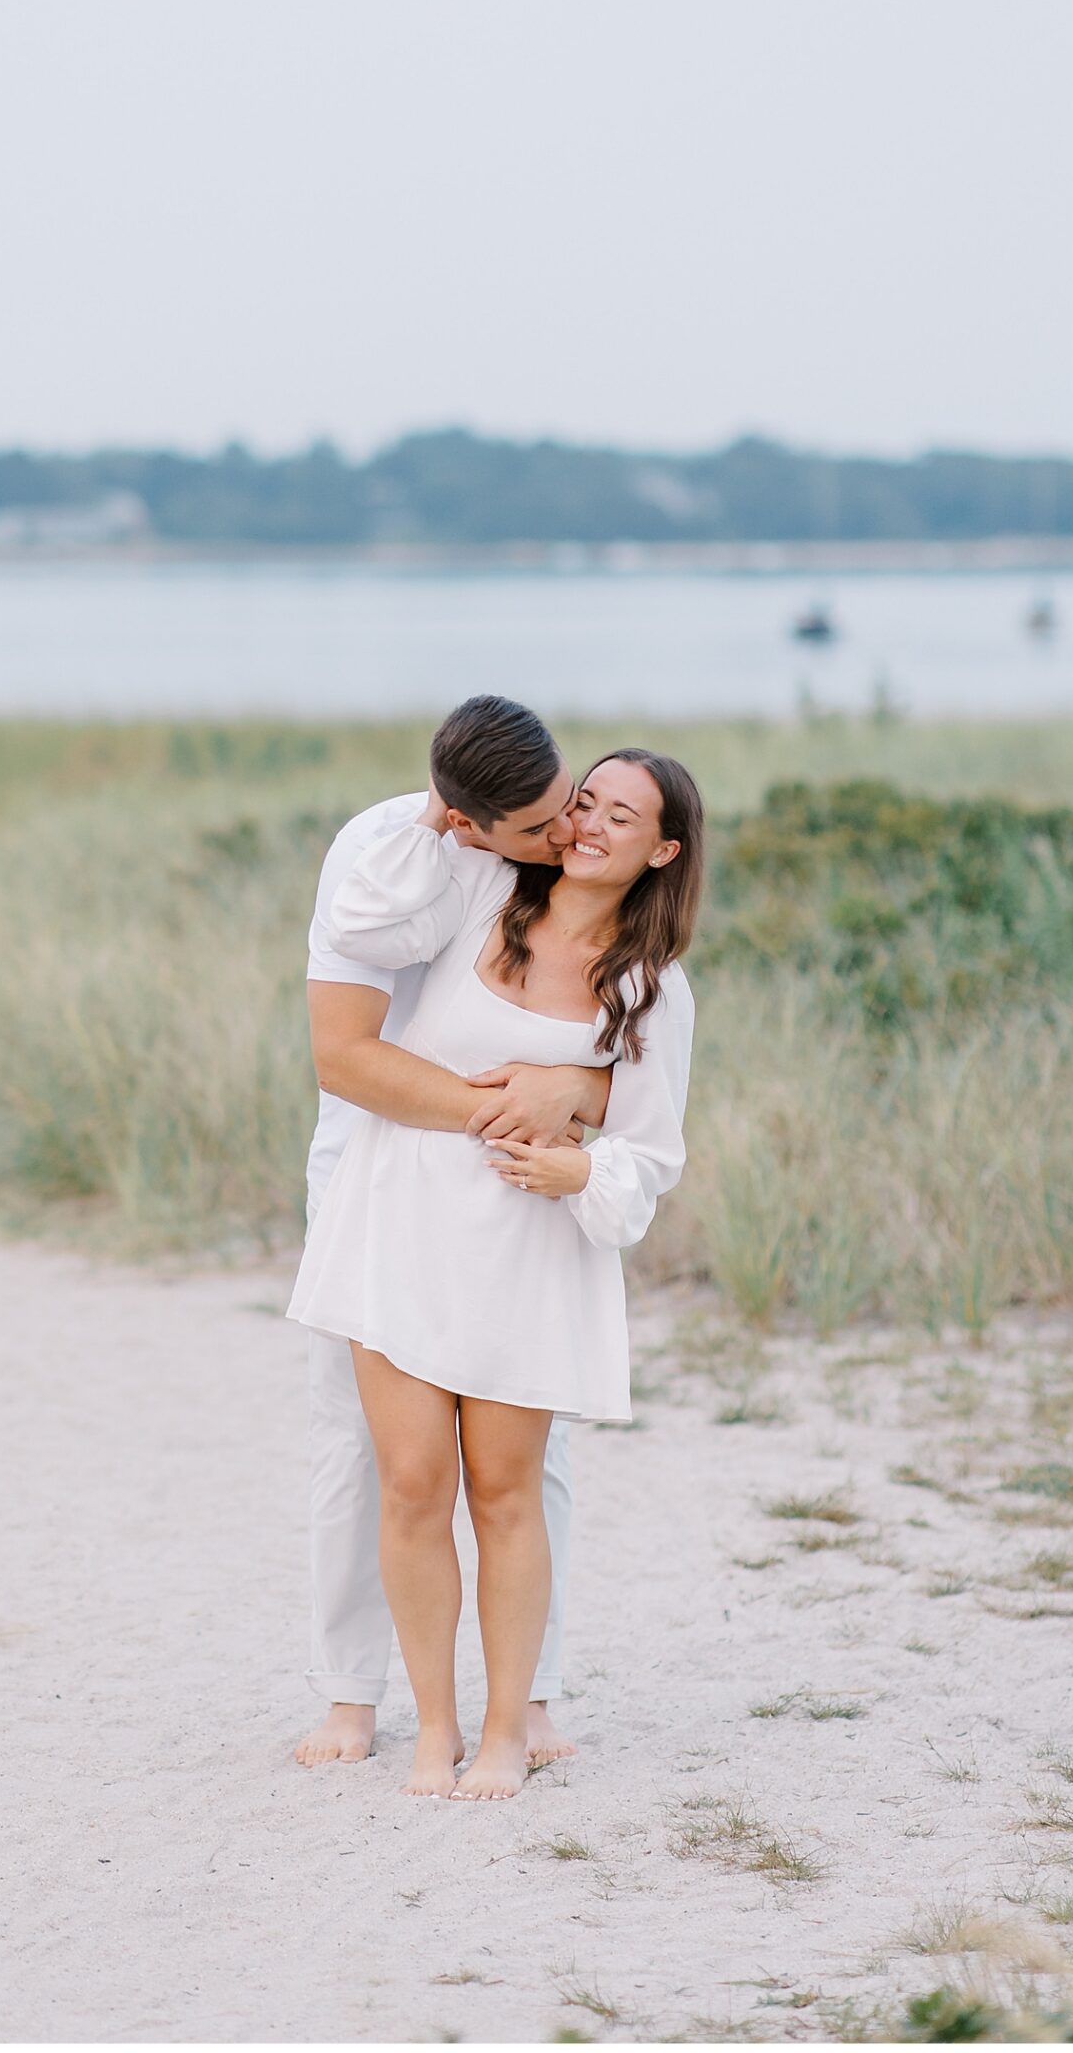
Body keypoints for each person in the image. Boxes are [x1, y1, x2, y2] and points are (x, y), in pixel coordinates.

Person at [287, 744, 701, 1801]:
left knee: (509, 1489)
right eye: (582, 802)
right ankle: (428, 1727)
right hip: (399, 1219)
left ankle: (511, 1726)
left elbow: (650, 1149)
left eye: (616, 813)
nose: (585, 824)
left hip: (524, 1247)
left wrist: (574, 1147)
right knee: (409, 1481)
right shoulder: (475, 887)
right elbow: (362, 937)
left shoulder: (651, 988)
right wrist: (437, 817)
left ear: (662, 852)